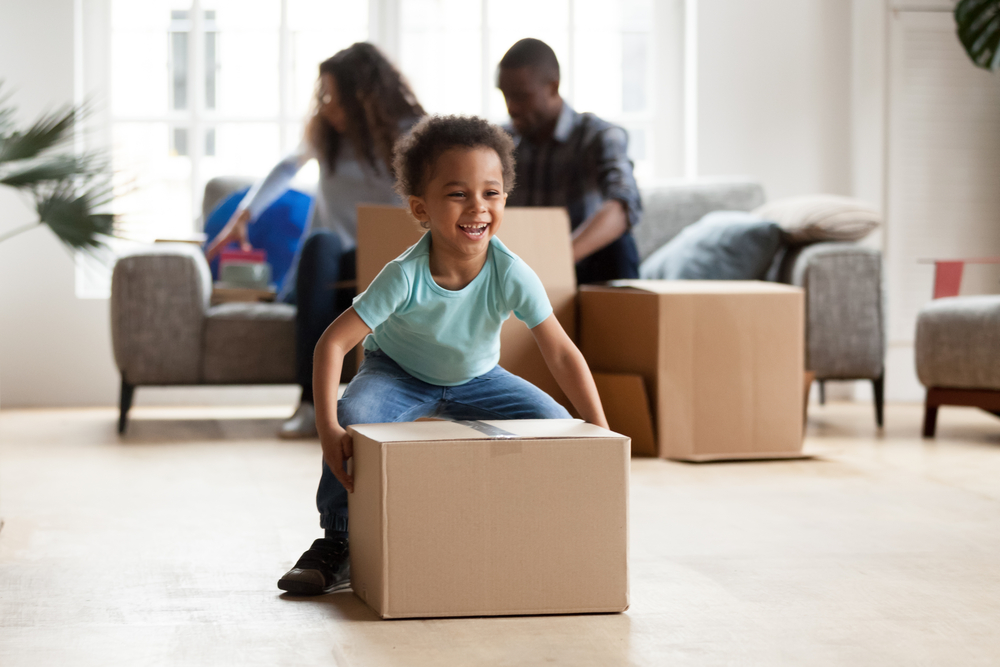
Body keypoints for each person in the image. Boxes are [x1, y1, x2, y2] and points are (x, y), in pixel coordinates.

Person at [277, 115, 610, 596]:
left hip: (479, 377)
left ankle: (540, 530)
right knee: (356, 415)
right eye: (458, 194)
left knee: (554, 424)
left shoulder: (512, 272)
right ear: (421, 208)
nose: (478, 206)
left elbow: (559, 351)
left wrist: (597, 427)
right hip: (398, 373)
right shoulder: (403, 274)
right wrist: (327, 426)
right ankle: (338, 541)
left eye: (491, 193)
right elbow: (332, 343)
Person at [205, 43, 425, 438]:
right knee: (319, 244)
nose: (325, 105)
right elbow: (285, 168)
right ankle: (310, 405)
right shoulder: (328, 137)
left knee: (372, 257)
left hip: (386, 270)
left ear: (362, 97)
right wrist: (243, 215)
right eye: (321, 95)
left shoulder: (412, 135)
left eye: (332, 95)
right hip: (325, 273)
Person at [496, 38, 642, 284]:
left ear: (553, 87)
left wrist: (557, 262)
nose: (511, 108)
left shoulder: (598, 136)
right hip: (518, 265)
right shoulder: (501, 142)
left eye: (521, 97)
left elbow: (623, 205)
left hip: (582, 263)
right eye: (505, 96)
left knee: (620, 245)